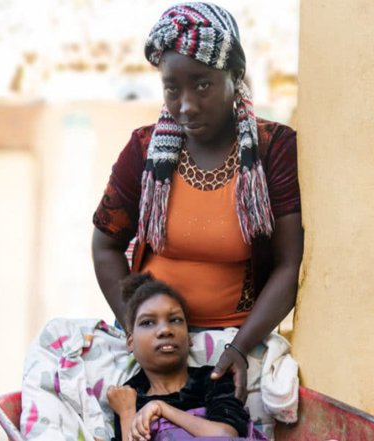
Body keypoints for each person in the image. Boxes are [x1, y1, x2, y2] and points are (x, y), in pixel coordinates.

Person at [92, 2, 303, 401]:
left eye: (202, 85)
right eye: (173, 88)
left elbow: (290, 264)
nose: (186, 104)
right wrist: (137, 330)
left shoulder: (273, 150)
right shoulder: (143, 149)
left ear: (235, 75)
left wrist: (240, 347)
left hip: (235, 341)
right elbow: (105, 245)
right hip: (154, 345)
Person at [107, 273, 267, 441]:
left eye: (175, 320)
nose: (165, 330)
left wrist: (162, 409)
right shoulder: (129, 397)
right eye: (148, 322)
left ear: (188, 337)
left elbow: (226, 436)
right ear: (130, 342)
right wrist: (126, 414)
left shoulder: (213, 379)